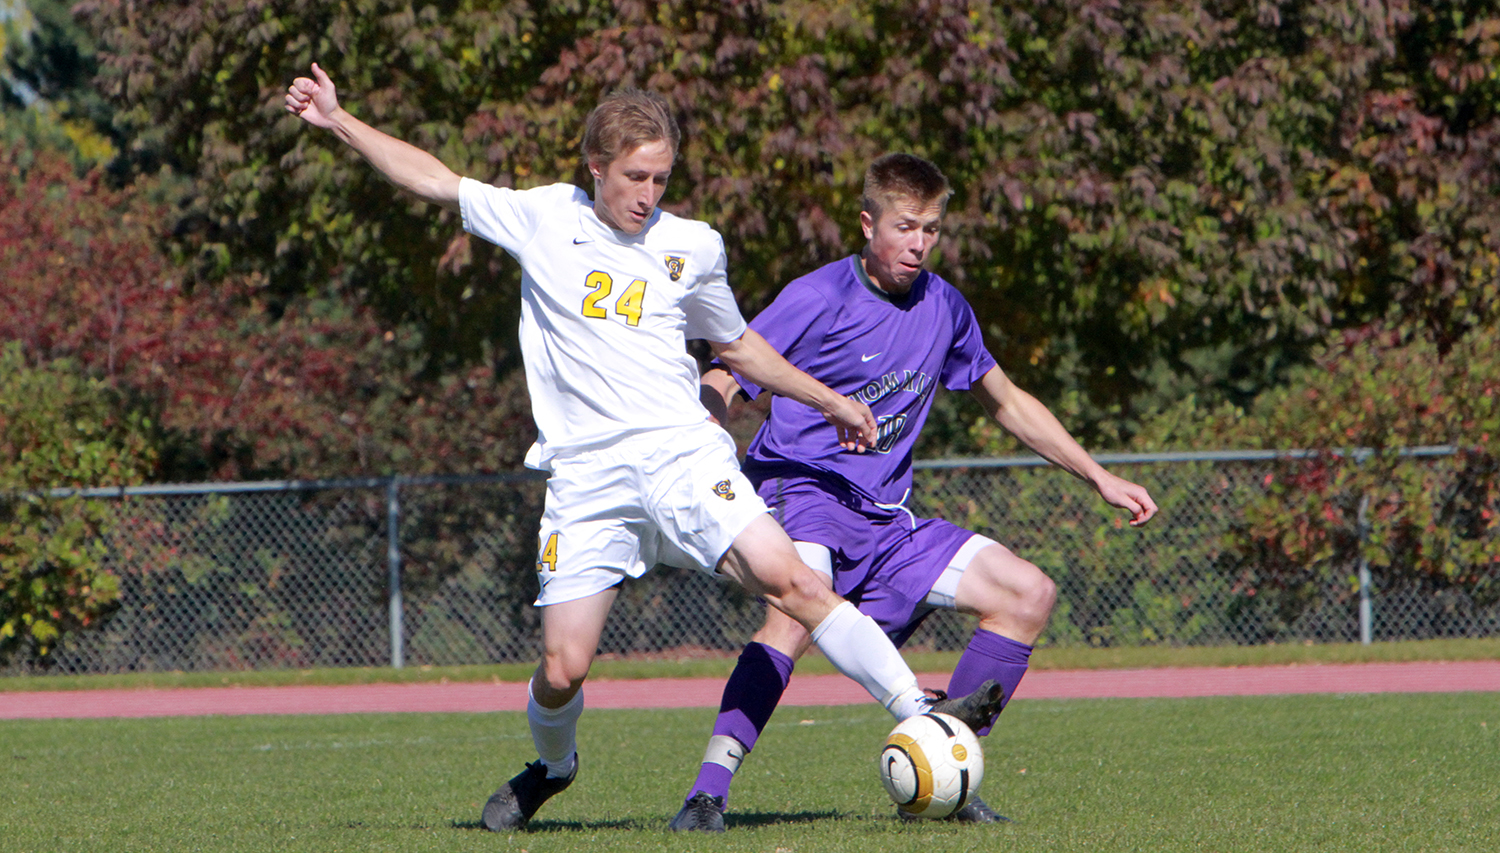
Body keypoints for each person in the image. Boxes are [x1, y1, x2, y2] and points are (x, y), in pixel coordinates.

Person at [284, 68, 1008, 832]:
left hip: (682, 456)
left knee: (789, 578)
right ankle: (554, 766)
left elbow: (741, 348)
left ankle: (923, 713)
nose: (648, 193)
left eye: (661, 177)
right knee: (563, 669)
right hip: (588, 477)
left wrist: (827, 399)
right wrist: (339, 121)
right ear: (594, 168)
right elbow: (430, 179)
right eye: (634, 176)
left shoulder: (693, 245)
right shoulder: (542, 217)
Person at [670, 153, 1159, 832]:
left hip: (888, 520)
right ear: (869, 223)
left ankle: (944, 767)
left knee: (1028, 593)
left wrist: (1099, 475)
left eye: (931, 229)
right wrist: (699, 441)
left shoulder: (944, 306)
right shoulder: (818, 295)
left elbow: (1006, 400)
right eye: (906, 227)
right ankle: (706, 793)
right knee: (789, 618)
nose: (920, 243)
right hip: (803, 493)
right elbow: (729, 377)